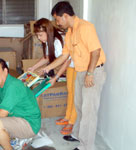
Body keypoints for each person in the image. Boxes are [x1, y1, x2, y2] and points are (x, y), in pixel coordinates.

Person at [42, 1, 106, 150]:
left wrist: (90, 74)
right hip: (80, 71)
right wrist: (47, 69)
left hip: (93, 71)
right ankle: (77, 134)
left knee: (89, 111)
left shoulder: (85, 27)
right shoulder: (70, 32)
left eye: (57, 19)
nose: (57, 23)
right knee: (79, 106)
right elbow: (64, 56)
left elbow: (95, 52)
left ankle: (86, 146)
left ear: (65, 16)